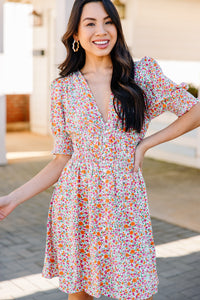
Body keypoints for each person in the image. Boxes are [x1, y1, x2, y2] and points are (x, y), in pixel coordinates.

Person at [0, 0, 200, 299]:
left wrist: (145, 143)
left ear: (117, 27)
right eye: (90, 23)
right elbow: (62, 160)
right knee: (80, 294)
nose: (101, 30)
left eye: (108, 21)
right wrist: (12, 199)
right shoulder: (63, 88)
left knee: (137, 289)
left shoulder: (141, 74)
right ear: (76, 35)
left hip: (125, 202)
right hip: (77, 202)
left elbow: (193, 111)